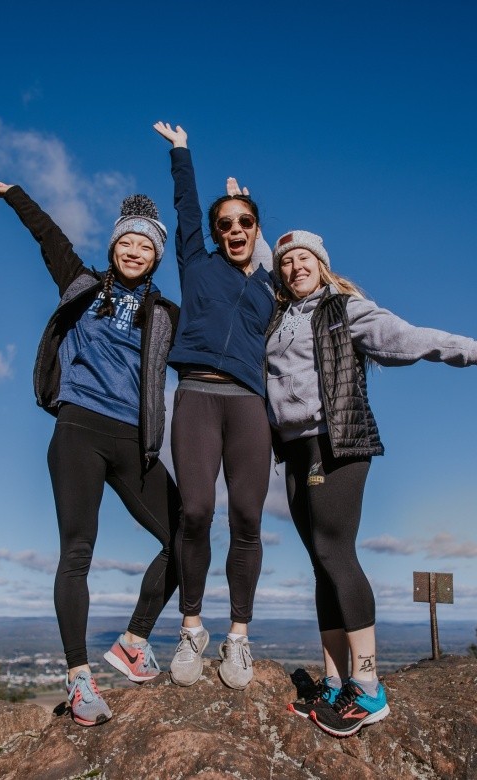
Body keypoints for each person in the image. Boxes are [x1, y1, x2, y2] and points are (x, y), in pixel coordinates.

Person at [265, 230, 477, 737]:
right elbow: (257, 262)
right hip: (294, 449)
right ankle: (335, 681)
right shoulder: (279, 317)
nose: (296, 267)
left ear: (322, 265)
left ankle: (368, 689)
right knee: (320, 563)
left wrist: (472, 350)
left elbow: (405, 338)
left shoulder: (345, 309)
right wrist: (252, 226)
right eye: (287, 261)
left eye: (305, 259)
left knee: (336, 553)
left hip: (337, 441)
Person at [0, 180, 181, 727]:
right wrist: (18, 195)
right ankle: (79, 679)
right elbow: (49, 236)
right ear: (114, 246)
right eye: (126, 242)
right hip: (78, 431)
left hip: (133, 441)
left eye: (146, 245)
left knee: (187, 535)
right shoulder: (83, 283)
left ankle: (134, 641)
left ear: (157, 254)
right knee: (77, 553)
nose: (134, 251)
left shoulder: (166, 315)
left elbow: (212, 336)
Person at [152, 121, 276, 690]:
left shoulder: (274, 286)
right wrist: (182, 154)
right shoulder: (197, 265)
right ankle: (191, 629)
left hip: (249, 404)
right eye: (224, 224)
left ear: (257, 229)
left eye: (244, 223)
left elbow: (274, 259)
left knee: (247, 519)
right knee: (196, 510)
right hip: (198, 395)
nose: (234, 230)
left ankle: (239, 637)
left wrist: (248, 206)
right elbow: (184, 209)